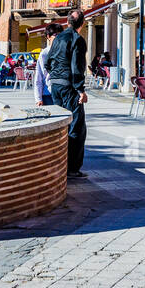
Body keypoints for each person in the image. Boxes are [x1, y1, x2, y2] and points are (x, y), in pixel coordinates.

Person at [44, 9, 89, 177]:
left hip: (55, 85)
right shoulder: (77, 40)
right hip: (69, 87)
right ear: (82, 24)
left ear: (68, 21)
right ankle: (72, 169)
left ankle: (60, 164)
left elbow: (48, 62)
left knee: (62, 124)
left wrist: (55, 77)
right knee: (76, 127)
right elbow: (77, 67)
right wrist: (80, 90)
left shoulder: (58, 38)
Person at [36, 23, 61, 106]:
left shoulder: (65, 52)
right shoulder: (44, 54)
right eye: (56, 35)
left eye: (61, 35)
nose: (59, 37)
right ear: (48, 36)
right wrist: (38, 98)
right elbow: (39, 77)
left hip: (63, 94)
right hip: (48, 94)